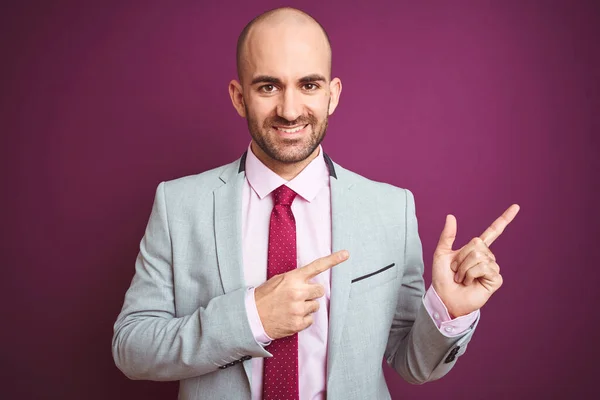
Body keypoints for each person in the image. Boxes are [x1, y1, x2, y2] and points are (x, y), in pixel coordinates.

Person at [112, 7, 519, 400]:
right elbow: (132, 348)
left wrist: (448, 311)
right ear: (239, 97)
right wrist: (250, 318)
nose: (290, 111)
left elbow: (412, 363)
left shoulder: (391, 210)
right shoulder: (178, 205)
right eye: (268, 86)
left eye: (309, 85)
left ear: (332, 94)